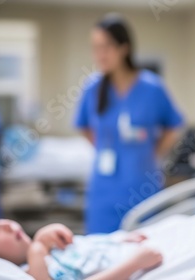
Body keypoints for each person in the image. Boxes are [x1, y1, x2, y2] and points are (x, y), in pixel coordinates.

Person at [75, 14, 184, 233]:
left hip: (142, 185)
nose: (99, 55)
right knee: (102, 254)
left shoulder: (152, 88)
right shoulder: (93, 88)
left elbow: (175, 126)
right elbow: (82, 126)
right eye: (95, 48)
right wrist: (103, 146)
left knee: (144, 254)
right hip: (103, 189)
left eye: (105, 47)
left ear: (124, 47)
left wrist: (154, 155)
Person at [0, 198, 163, 280]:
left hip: (134, 248)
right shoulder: (30, 271)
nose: (6, 225)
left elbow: (84, 247)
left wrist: (118, 240)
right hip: (142, 264)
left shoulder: (44, 248)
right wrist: (135, 262)